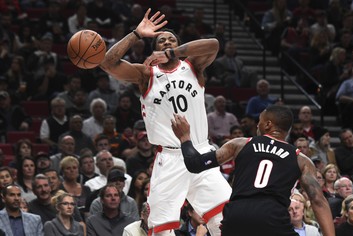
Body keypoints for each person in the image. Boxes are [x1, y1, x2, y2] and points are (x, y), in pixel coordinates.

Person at [99, 8, 232, 236]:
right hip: (170, 158)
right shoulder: (146, 75)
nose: (167, 42)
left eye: (172, 40)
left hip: (200, 151)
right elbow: (107, 63)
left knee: (227, 219)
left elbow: (213, 44)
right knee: (160, 230)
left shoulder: (193, 67)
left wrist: (174, 53)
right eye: (162, 40)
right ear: (154, 49)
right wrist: (136, 34)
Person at [171, 105, 335, 236]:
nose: (257, 124)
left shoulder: (241, 144)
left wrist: (185, 137)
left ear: (268, 124)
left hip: (236, 217)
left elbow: (195, 164)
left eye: (260, 121)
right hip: (272, 218)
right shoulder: (301, 159)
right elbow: (318, 200)